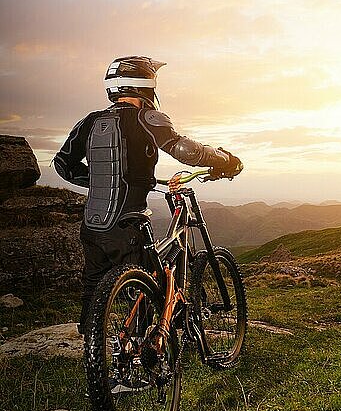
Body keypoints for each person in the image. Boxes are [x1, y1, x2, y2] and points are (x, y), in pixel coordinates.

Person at [53, 56, 243, 335]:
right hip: (127, 225)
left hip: (92, 226)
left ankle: (92, 341)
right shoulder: (147, 117)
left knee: (93, 285)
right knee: (146, 285)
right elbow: (184, 149)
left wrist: (105, 181)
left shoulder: (90, 121)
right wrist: (225, 159)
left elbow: (62, 165)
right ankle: (140, 351)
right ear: (145, 86)